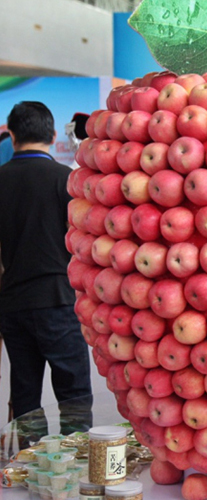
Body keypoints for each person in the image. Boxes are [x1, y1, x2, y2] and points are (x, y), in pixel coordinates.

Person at [0, 101, 92, 428]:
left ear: (11, 136)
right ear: (53, 136)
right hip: (60, 301)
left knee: (25, 396)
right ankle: (76, 463)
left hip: (13, 305)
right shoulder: (66, 180)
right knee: (74, 394)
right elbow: (85, 243)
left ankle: (31, 468)